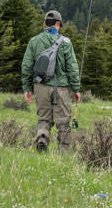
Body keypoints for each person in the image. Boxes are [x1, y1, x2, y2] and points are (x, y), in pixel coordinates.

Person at [21, 10, 81, 152]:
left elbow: (26, 66)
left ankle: (42, 142)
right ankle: (63, 154)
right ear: (58, 24)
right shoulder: (66, 42)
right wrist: (76, 89)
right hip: (61, 88)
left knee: (43, 119)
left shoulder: (34, 41)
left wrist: (27, 88)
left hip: (41, 87)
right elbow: (72, 68)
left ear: (45, 24)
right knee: (63, 123)